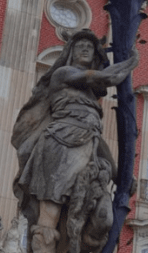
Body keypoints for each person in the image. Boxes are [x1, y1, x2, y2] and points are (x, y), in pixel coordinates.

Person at [12, 30, 138, 253]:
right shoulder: (63, 73)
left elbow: (96, 138)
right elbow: (102, 78)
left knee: (104, 218)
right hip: (58, 147)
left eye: (89, 47)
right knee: (48, 218)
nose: (85, 49)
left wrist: (119, 175)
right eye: (79, 45)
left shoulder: (91, 100)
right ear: (70, 52)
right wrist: (131, 61)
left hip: (89, 156)